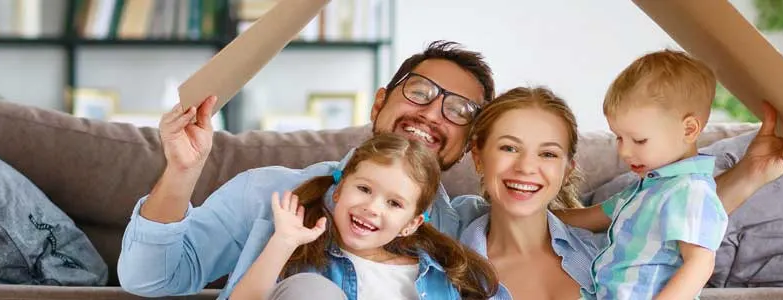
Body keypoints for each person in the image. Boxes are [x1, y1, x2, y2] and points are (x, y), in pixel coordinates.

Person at [118, 41, 497, 298]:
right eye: (419, 91)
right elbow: (149, 280)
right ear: (379, 102)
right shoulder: (272, 194)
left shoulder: (471, 233)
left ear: (469, 146)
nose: (432, 113)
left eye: (460, 110)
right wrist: (182, 171)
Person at [553, 50, 763, 299]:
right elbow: (589, 217)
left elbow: (700, 264)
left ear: (689, 129)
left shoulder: (690, 190)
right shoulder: (646, 188)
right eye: (619, 137)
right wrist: (530, 216)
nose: (625, 151)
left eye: (639, 140)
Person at [228, 134, 498, 300]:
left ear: (410, 224)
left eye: (393, 203)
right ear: (339, 190)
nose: (372, 207)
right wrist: (283, 242)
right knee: (309, 289)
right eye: (364, 189)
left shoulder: (439, 275)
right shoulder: (306, 258)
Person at [453, 87, 600, 300]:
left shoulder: (604, 253)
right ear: (478, 157)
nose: (526, 167)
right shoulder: (443, 266)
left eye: (548, 154)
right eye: (509, 148)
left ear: (567, 170)